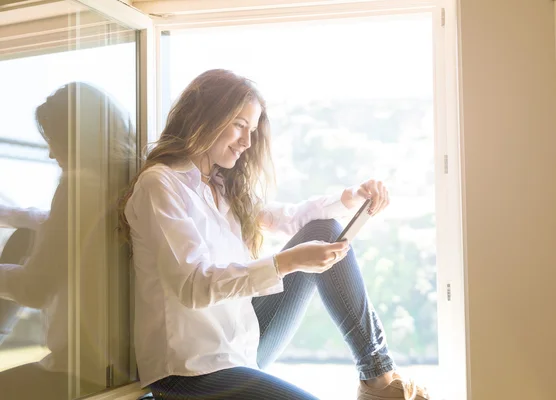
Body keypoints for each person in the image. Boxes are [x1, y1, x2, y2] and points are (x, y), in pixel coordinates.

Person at [118, 69, 429, 400]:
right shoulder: (161, 185)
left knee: (326, 229)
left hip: (241, 350)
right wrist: (288, 262)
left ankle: (378, 378)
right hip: (188, 370)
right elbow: (194, 286)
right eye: (239, 125)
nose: (247, 142)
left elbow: (295, 218)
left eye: (252, 130)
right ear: (204, 116)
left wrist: (352, 196)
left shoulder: (224, 187)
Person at [0, 82, 134, 399]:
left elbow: (33, 289)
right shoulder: (128, 176)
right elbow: (64, 227)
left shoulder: (78, 185)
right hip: (128, 368)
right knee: (25, 235)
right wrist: (10, 214)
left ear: (76, 139)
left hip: (78, 373)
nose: (50, 152)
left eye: (54, 140)